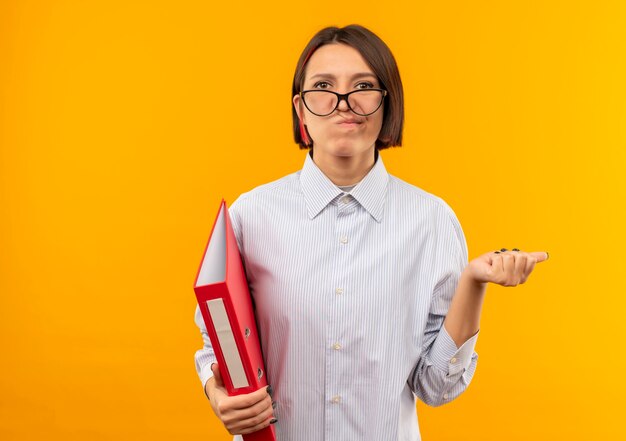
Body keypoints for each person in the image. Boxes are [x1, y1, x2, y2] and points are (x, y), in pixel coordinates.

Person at [194, 24, 548, 441]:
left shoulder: (432, 222)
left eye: (363, 85)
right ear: (301, 109)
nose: (344, 103)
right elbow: (215, 345)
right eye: (324, 85)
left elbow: (436, 387)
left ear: (387, 104)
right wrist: (217, 392)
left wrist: (473, 282)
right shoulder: (250, 216)